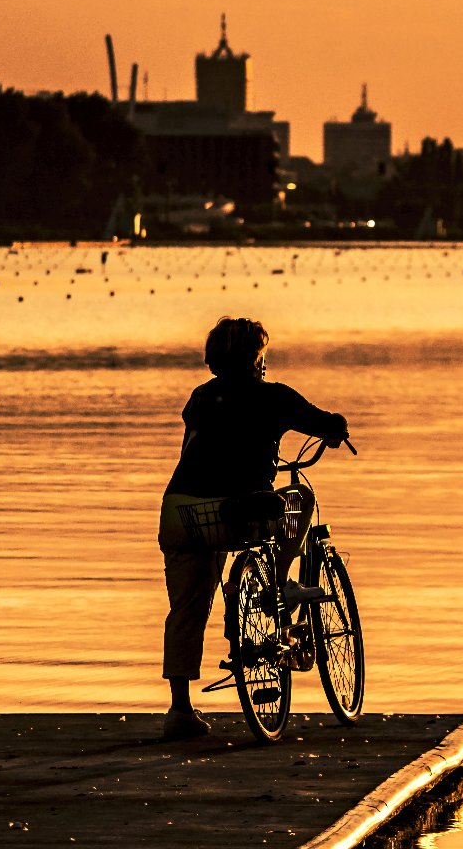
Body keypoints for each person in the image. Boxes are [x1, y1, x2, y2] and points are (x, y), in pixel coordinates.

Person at [158, 317, 349, 740]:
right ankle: (277, 584)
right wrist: (338, 427)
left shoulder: (200, 398)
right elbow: (323, 422)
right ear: (255, 360)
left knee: (186, 610)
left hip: (182, 513)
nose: (265, 364)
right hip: (239, 512)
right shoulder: (274, 397)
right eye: (262, 356)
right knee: (298, 501)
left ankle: (179, 709)